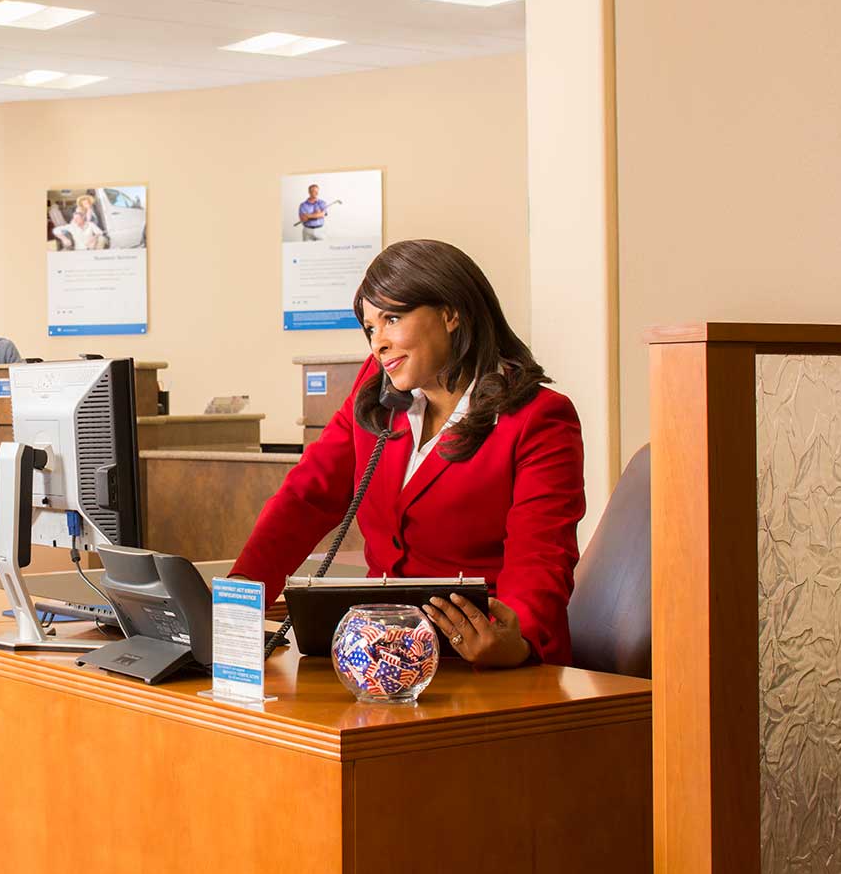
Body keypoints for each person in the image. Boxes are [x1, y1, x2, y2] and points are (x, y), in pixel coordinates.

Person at [230, 240, 585, 667]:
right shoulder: (379, 391)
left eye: (392, 319)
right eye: (370, 328)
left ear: (452, 313)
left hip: (481, 656)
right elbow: (306, 496)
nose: (378, 343)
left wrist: (517, 637)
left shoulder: (538, 418)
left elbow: (541, 554)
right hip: (377, 653)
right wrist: (243, 592)